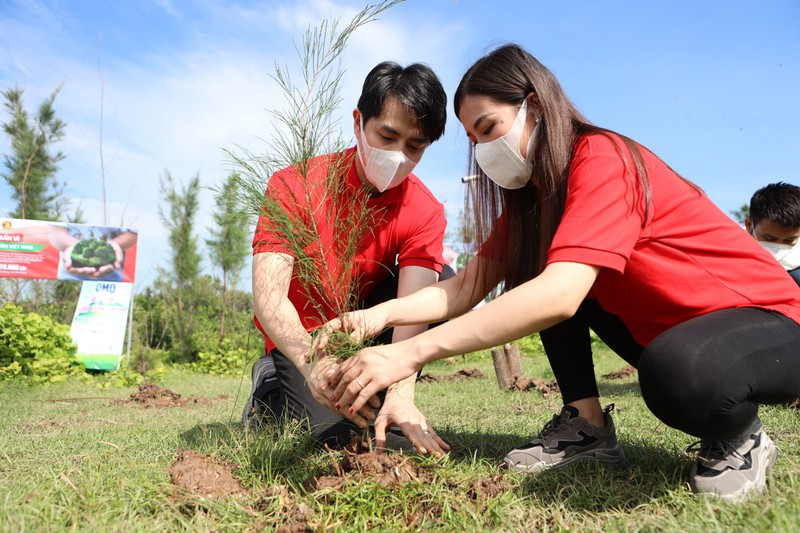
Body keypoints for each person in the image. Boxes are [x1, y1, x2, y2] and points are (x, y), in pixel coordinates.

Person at [323, 44, 800, 503]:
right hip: (674, 332)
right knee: (538, 270)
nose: (484, 151)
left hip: (770, 322)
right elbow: (465, 287)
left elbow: (559, 297)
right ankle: (587, 426)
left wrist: (409, 351)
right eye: (474, 140)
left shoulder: (603, 159)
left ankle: (739, 437)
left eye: (490, 128)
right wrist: (374, 318)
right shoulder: (536, 200)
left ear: (533, 106)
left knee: (679, 374)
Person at [244, 61, 452, 456]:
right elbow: (268, 296)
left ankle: (377, 398)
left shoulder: (424, 210)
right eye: (387, 136)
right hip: (305, 338)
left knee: (442, 284)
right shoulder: (296, 184)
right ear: (358, 122)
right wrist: (310, 363)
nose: (398, 156)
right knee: (329, 436)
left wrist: (401, 390)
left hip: (369, 330)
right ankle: (272, 383)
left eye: (415, 147)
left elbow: (414, 309)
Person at [745, 182, 800, 286]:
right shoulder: (729, 248)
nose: (779, 247)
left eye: (789, 240)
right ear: (749, 225)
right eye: (769, 238)